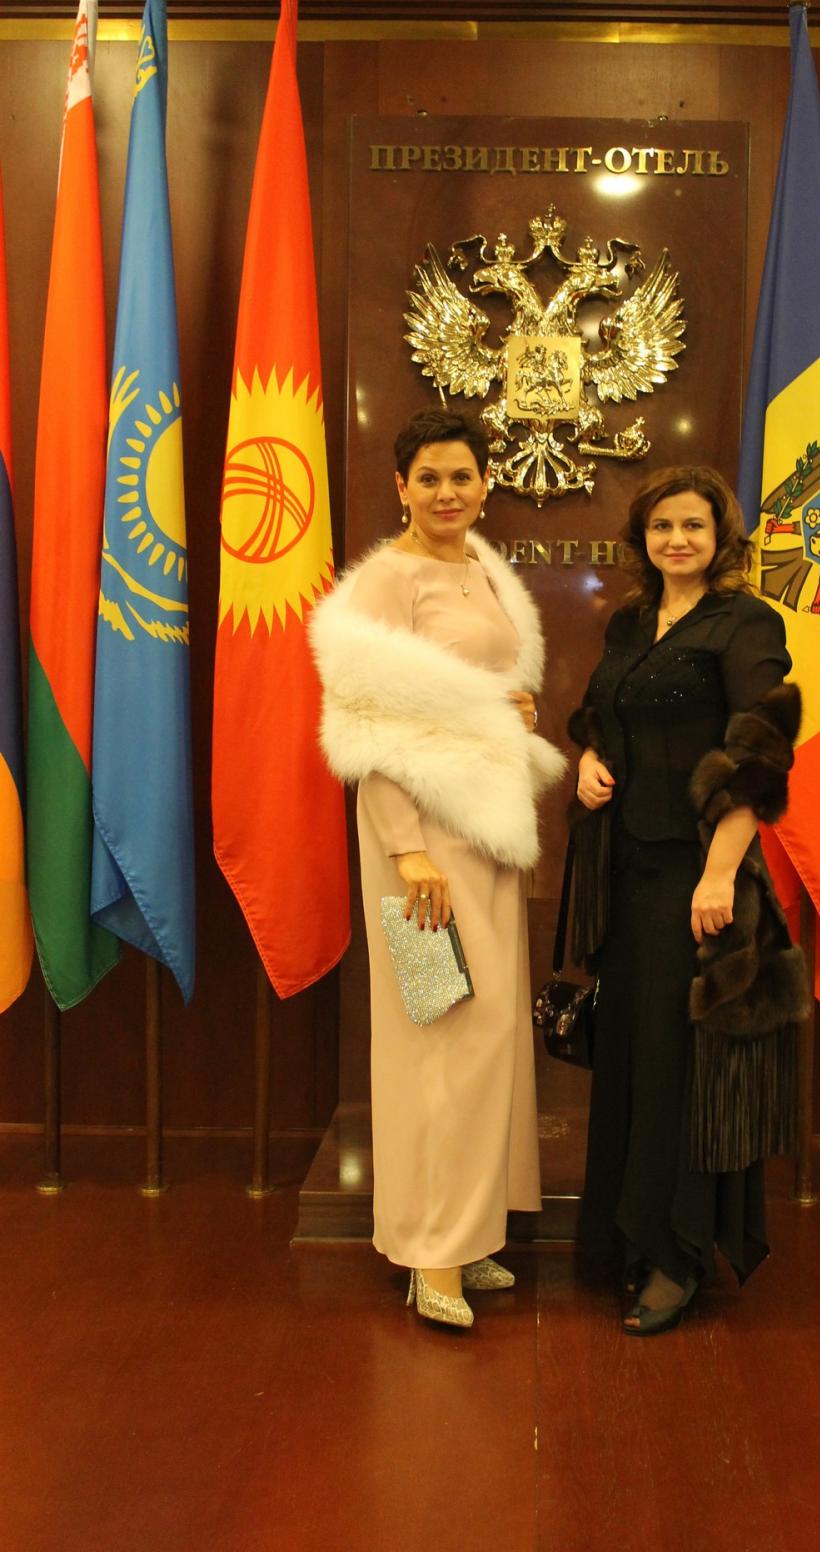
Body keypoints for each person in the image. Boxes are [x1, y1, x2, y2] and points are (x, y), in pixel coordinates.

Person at [310, 408, 565, 1329]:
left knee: (489, 1040)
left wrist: (510, 714)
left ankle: (473, 1230)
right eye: (430, 477)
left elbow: (468, 693)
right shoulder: (388, 580)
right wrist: (405, 847)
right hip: (418, 848)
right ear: (401, 487)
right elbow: (366, 724)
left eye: (462, 476)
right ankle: (432, 1253)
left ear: (486, 484)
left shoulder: (485, 569)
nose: (447, 492)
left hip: (485, 837)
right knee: (438, 1044)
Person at [570, 464, 809, 1336]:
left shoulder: (746, 623)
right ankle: (627, 1239)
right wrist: (588, 759)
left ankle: (676, 1258)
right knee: (633, 1055)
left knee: (680, 1067)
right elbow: (600, 715)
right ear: (643, 538)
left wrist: (719, 873)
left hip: (699, 876)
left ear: (720, 538)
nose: (677, 539)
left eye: (694, 526)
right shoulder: (631, 621)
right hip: (627, 872)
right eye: (662, 526)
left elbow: (760, 752)